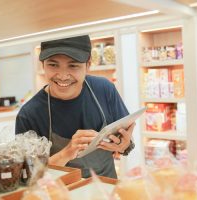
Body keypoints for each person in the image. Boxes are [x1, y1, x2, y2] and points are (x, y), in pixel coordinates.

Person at [15, 35, 135, 179]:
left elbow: (124, 140)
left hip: (107, 188)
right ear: (42, 64)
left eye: (73, 65)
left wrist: (124, 145)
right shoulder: (29, 114)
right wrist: (66, 153)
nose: (63, 76)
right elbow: (26, 175)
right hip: (61, 192)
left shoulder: (104, 89)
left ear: (88, 64)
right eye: (53, 65)